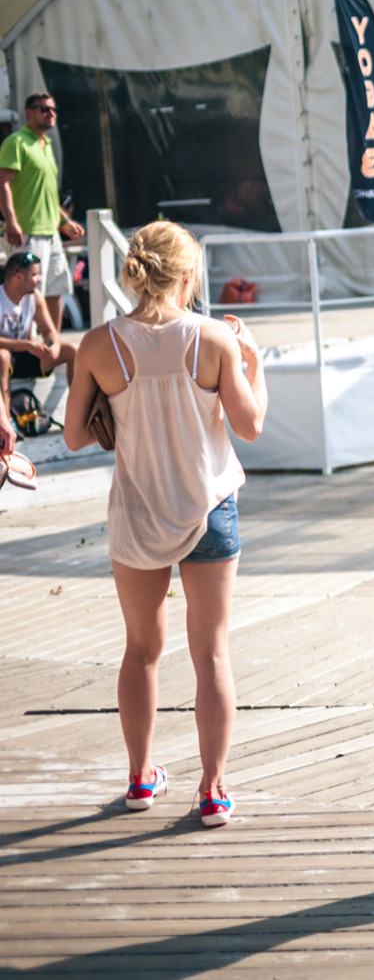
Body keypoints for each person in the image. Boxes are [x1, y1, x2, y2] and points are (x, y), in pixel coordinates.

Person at [61, 220, 269, 827]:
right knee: (211, 655)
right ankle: (212, 790)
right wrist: (253, 362)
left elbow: (74, 436)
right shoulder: (213, 339)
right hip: (208, 509)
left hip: (137, 511)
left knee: (141, 651)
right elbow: (250, 426)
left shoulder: (100, 345)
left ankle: (139, 779)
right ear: (186, 276)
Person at [0, 93, 86, 331]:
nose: (51, 114)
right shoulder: (16, 142)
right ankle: (27, 348)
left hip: (51, 234)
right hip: (28, 232)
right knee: (28, 293)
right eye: (44, 109)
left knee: (57, 290)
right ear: (29, 113)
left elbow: (46, 194)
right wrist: (12, 222)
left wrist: (64, 222)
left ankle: (51, 345)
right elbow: (2, 184)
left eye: (53, 110)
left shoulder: (46, 146)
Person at [2, 250, 77, 394]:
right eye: (34, 275)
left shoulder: (34, 297)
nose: (40, 279)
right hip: (5, 357)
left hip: (25, 355)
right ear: (19, 277)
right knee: (3, 357)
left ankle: (79, 405)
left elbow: (49, 331)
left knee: (70, 351)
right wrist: (27, 345)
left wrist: (54, 346)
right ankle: (4, 413)